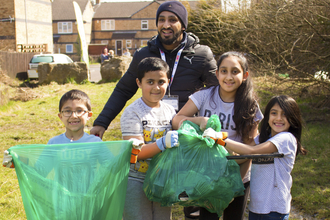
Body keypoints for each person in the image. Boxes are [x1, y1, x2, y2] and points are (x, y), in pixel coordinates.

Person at [90, 1, 218, 140]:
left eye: (172, 20)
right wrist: (102, 122)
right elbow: (123, 90)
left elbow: (219, 91)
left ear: (183, 26)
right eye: (161, 20)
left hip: (189, 130)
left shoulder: (201, 54)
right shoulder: (143, 55)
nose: (166, 25)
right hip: (153, 130)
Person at [172, 51, 264, 220]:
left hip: (238, 174)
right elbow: (176, 120)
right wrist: (198, 120)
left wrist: (235, 185)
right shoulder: (204, 96)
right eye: (224, 71)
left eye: (235, 71)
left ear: (245, 75)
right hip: (207, 175)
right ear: (217, 73)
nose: (229, 77)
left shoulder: (250, 105)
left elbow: (250, 149)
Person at [203, 95, 307, 220]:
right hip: (257, 207)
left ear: (293, 118)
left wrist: (221, 139)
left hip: (275, 210)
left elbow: (252, 151)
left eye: (284, 114)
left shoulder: (286, 138)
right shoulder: (262, 138)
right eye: (274, 113)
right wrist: (217, 157)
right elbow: (243, 157)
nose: (279, 118)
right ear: (267, 116)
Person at [120, 57, 179, 220]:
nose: (156, 87)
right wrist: (162, 143)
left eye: (161, 82)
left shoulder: (170, 111)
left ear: (168, 81)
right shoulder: (132, 113)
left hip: (162, 179)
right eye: (150, 82)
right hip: (136, 181)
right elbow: (136, 153)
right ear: (139, 83)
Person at [3, 89, 101, 168]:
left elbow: (112, 167)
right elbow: (41, 169)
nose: (73, 116)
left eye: (79, 110)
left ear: (89, 115)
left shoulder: (96, 143)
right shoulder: (54, 143)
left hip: (90, 193)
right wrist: (16, 161)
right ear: (60, 116)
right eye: (67, 111)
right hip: (60, 193)